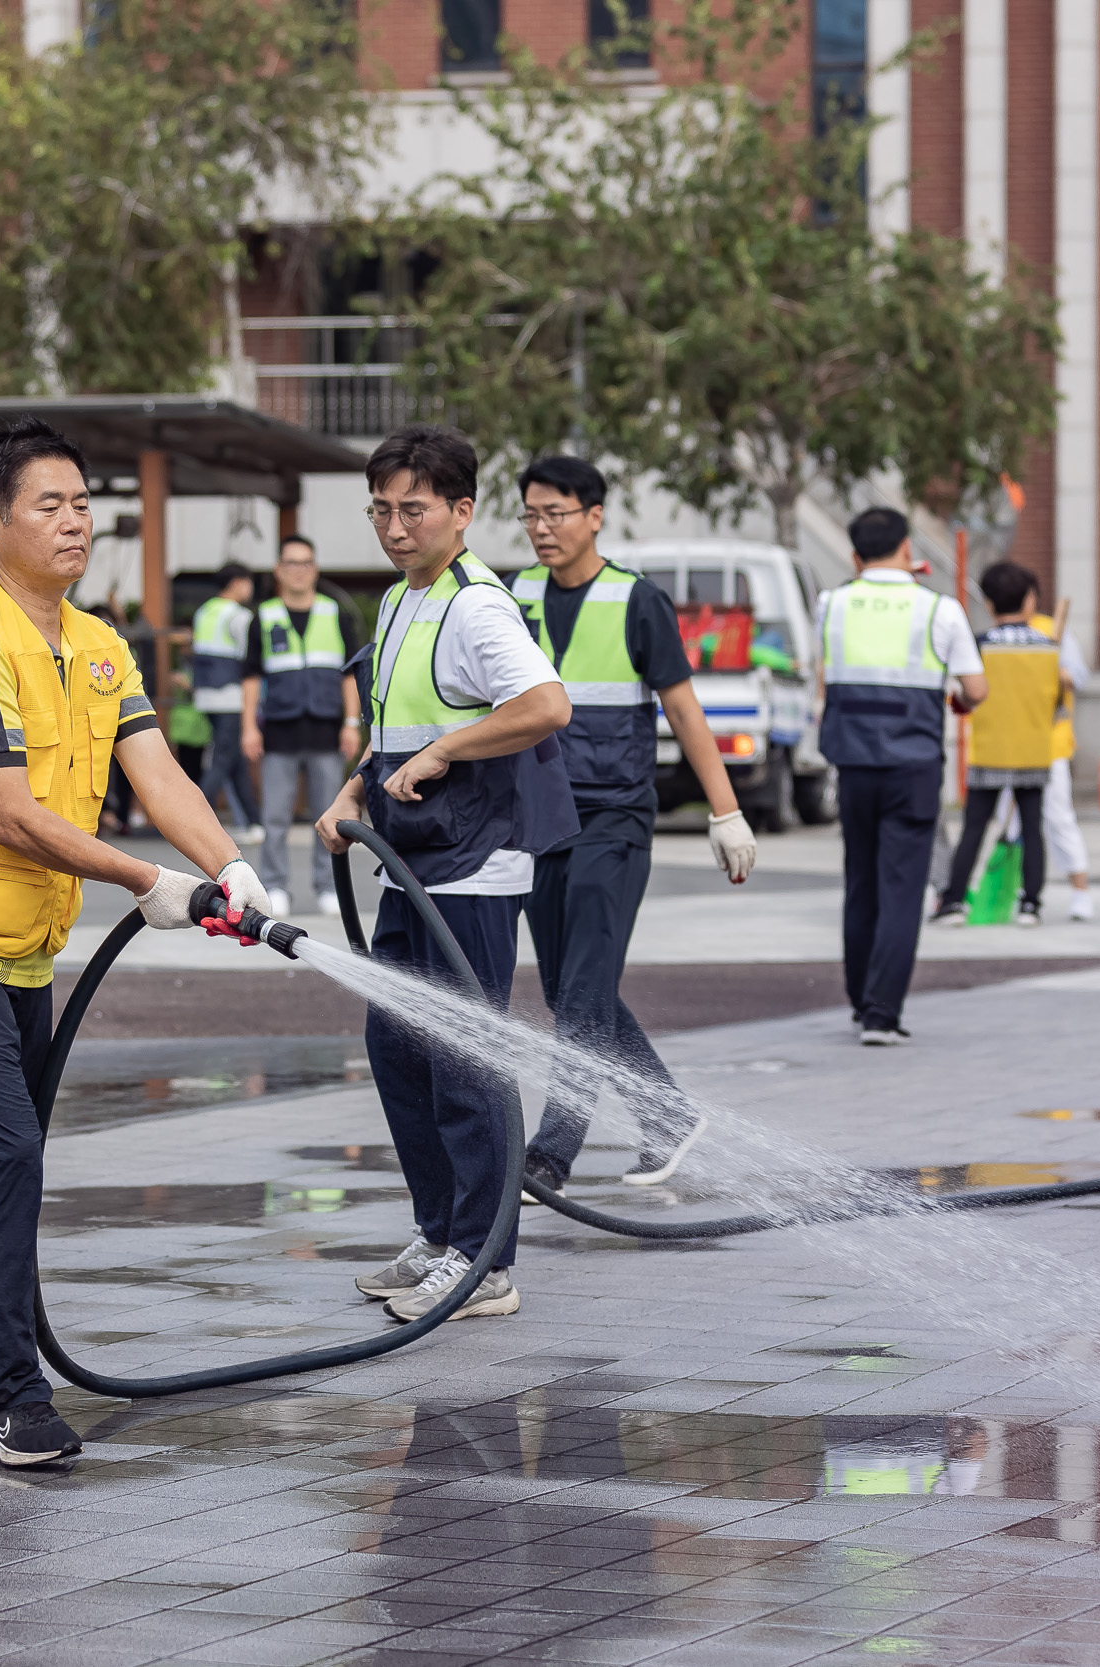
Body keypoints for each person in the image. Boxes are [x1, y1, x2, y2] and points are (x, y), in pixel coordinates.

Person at [0, 417, 268, 1467]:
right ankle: (7, 1393)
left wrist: (230, 867)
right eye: (51, 503)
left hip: (21, 949)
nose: (76, 519)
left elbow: (158, 772)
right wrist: (145, 880)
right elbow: (6, 811)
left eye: (85, 502)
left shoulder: (95, 647)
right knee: (5, 1148)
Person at [315, 425, 577, 1322]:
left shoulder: (477, 605)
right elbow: (392, 725)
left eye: (413, 509)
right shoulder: (397, 603)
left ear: (461, 512)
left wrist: (444, 751)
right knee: (398, 1047)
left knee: (464, 1057)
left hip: (473, 863)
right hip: (414, 860)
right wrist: (351, 793)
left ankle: (485, 1263)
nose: (394, 526)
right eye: (382, 509)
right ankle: (442, 1233)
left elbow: (546, 704)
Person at [506, 455, 755, 1195]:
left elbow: (683, 708)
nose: (542, 528)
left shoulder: (635, 601)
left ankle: (551, 1152)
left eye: (556, 513)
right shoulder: (511, 595)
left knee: (583, 987)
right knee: (568, 987)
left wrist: (727, 810)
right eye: (531, 514)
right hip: (540, 815)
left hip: (613, 817)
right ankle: (669, 1118)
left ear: (594, 516)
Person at [817, 507, 986, 1046]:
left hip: (852, 762)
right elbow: (975, 689)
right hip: (911, 765)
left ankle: (858, 998)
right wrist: (956, 698)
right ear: (909, 549)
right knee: (902, 886)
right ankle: (881, 1014)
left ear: (854, 554)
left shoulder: (832, 604)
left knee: (860, 880)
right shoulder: (940, 609)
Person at [937, 563, 1062, 929]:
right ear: (1029, 601)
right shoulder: (1049, 647)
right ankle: (1031, 903)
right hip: (1034, 748)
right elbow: (1056, 704)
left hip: (990, 747)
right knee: (1032, 827)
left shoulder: (980, 645)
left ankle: (955, 900)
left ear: (989, 603)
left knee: (974, 827)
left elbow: (965, 695)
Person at [240, 535, 360, 915]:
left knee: (329, 814)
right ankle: (275, 886)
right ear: (279, 570)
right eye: (290, 563)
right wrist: (248, 727)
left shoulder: (335, 612)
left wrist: (352, 723)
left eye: (305, 563)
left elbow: (350, 676)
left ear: (315, 568)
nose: (298, 570)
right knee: (275, 816)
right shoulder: (264, 616)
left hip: (326, 729)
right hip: (279, 730)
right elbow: (252, 677)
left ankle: (328, 887)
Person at [1031, 600, 1094, 920]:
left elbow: (1079, 677)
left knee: (1058, 816)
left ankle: (1080, 892)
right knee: (1011, 823)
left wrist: (1052, 668)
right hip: (1009, 746)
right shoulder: (997, 633)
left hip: (1051, 742)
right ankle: (1020, 890)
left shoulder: (1052, 630)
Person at [190, 561, 260, 837]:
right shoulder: (238, 615)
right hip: (231, 696)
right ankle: (197, 820)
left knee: (234, 763)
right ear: (238, 583)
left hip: (206, 695)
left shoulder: (204, 611)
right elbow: (251, 656)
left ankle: (254, 823)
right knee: (222, 761)